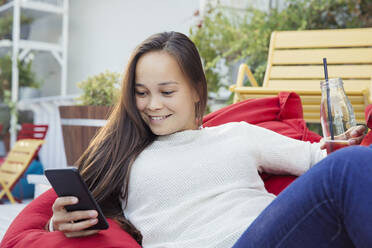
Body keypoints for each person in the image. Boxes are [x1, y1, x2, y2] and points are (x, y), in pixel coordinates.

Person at [48, 32, 370, 248]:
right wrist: (56, 223)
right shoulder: (123, 156)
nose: (152, 105)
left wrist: (344, 141)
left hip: (268, 236)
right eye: (141, 93)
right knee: (348, 168)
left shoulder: (237, 134)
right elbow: (74, 209)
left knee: (349, 165)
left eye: (167, 92)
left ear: (197, 90)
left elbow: (320, 160)